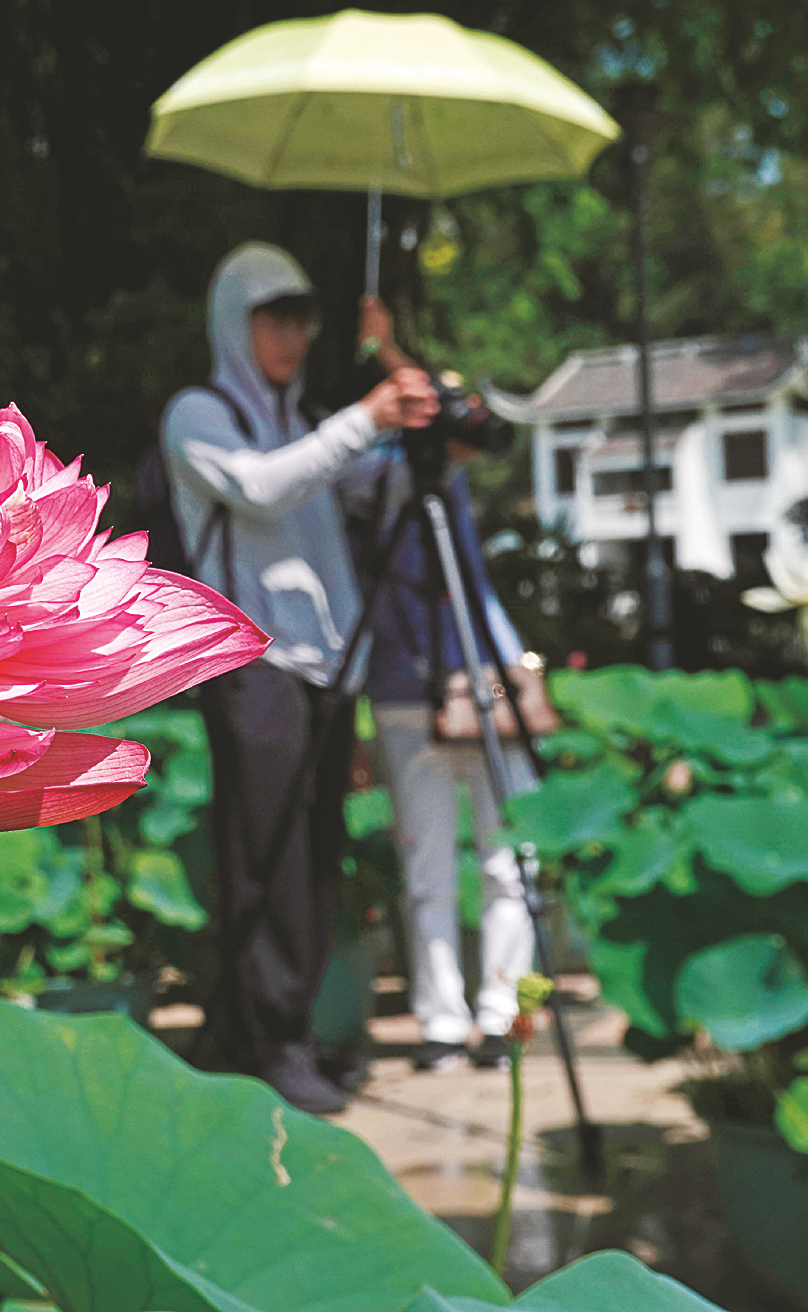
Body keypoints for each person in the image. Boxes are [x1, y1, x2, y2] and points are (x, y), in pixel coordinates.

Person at [160, 240, 435, 1114]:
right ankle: (262, 1040)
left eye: (303, 318)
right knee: (263, 858)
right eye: (273, 316)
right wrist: (364, 418)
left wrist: (418, 421)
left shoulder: (305, 422)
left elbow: (374, 490)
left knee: (314, 856)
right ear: (233, 321)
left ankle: (285, 1031)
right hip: (253, 665)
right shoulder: (197, 415)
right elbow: (262, 489)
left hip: (324, 664)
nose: (292, 333)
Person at [358, 437, 537, 1073]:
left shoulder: (451, 483)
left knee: (509, 863)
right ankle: (440, 1019)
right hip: (403, 687)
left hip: (484, 673)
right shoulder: (369, 473)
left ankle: (501, 1012)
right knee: (425, 870)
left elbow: (475, 584)